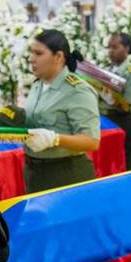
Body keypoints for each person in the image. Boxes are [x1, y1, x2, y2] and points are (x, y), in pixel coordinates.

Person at [22, 29, 101, 192]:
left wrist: (55, 139)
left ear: (58, 57)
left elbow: (92, 141)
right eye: (31, 52)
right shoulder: (38, 85)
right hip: (34, 172)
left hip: (65, 174)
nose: (31, 59)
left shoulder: (77, 90)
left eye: (38, 53)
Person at [99, 33, 131, 171]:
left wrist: (107, 95)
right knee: (105, 166)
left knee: (123, 166)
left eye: (115, 47)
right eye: (109, 47)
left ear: (127, 48)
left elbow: (126, 105)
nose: (110, 51)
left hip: (122, 122)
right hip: (104, 121)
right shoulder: (106, 69)